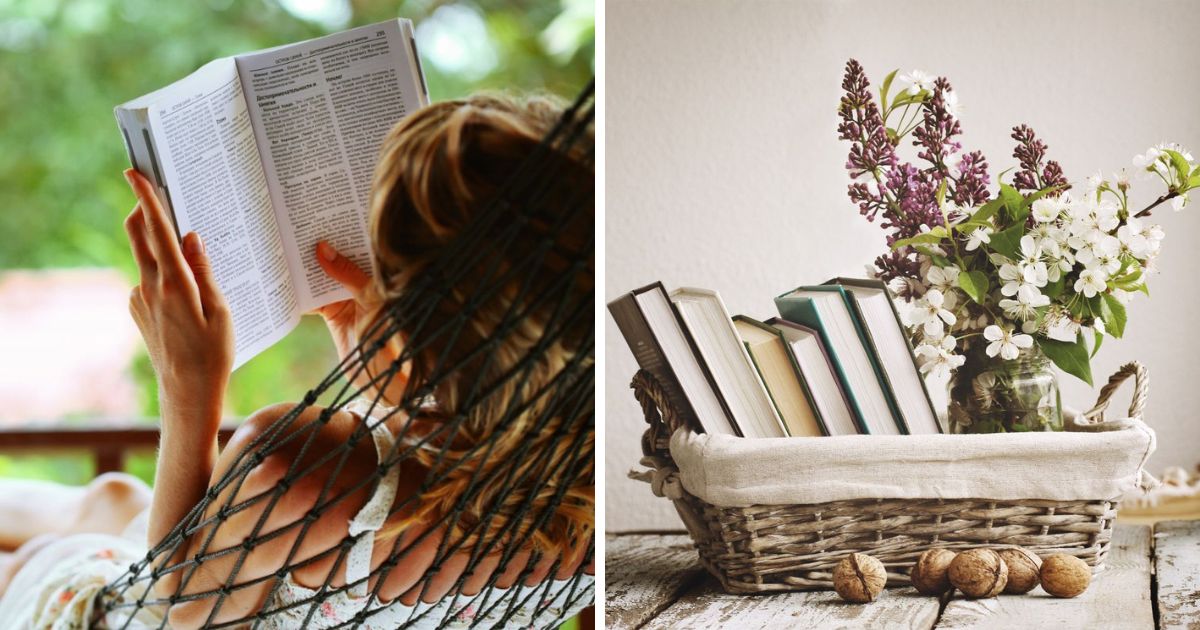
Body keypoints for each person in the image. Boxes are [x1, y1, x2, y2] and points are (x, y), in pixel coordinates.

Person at [0, 92, 594, 628]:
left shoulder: (296, 465)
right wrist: (390, 375)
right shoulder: (598, 491)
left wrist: (189, 381)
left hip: (113, 614)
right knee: (111, 497)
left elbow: (169, 615)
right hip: (227, 563)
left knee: (27, 558)